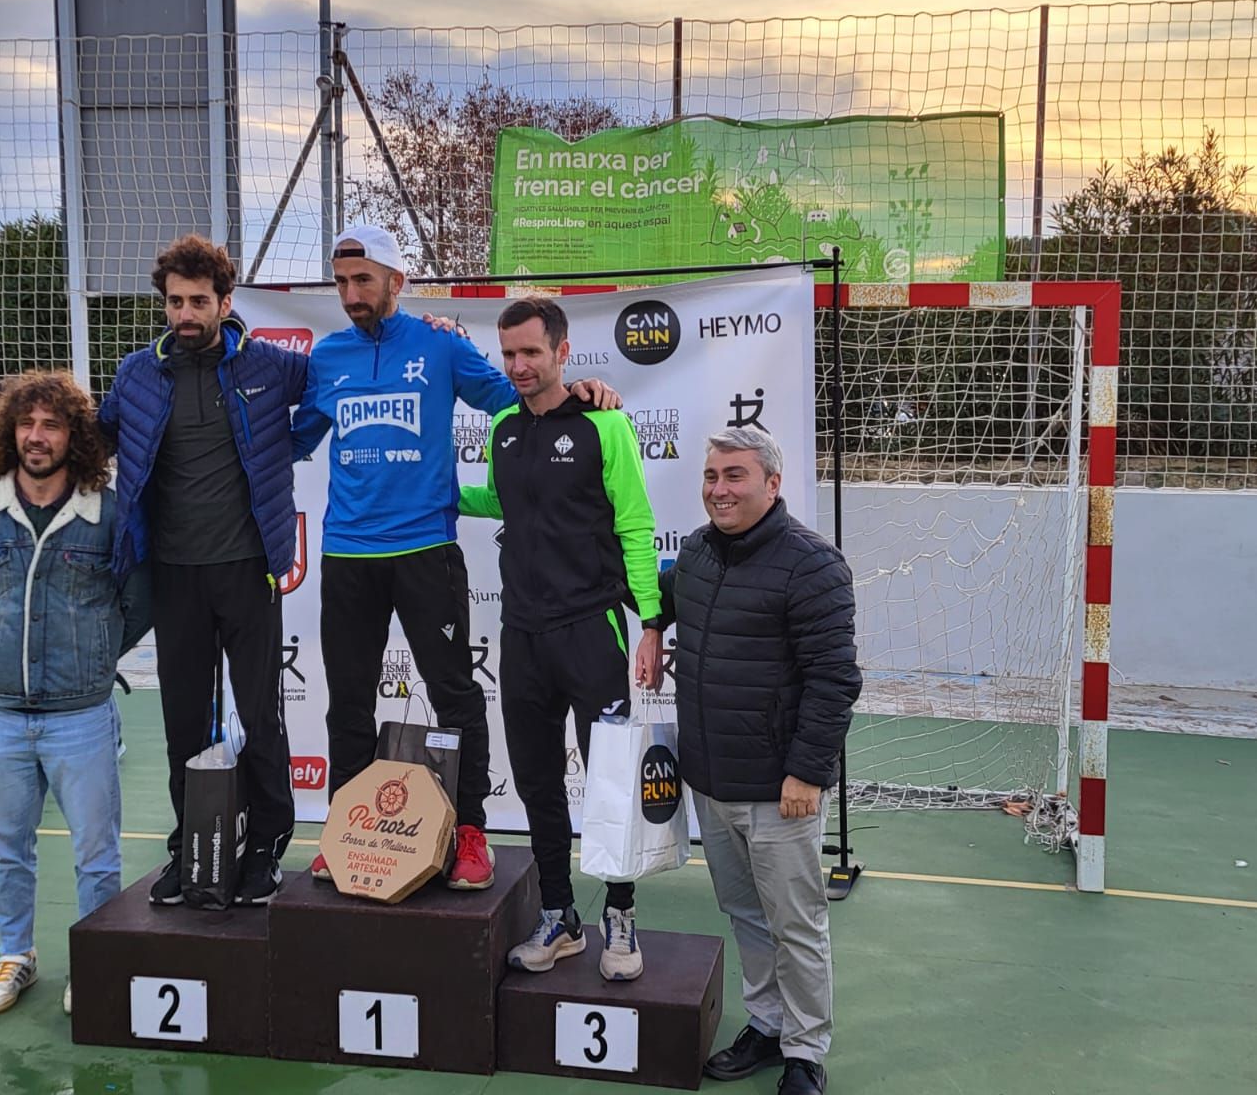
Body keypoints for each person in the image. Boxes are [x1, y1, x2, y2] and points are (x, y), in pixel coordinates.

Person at [292, 224, 619, 892]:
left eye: (363, 280)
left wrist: (584, 395)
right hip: (347, 553)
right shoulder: (326, 358)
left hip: (427, 551)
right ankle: (343, 827)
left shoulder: (439, 343)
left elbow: (518, 400)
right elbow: (295, 438)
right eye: (342, 281)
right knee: (347, 702)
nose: (351, 293)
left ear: (395, 281)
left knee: (455, 696)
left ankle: (468, 831)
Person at [636, 426, 858, 1095]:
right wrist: (650, 625)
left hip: (779, 789)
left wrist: (808, 773)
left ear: (772, 483)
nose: (718, 489)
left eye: (734, 475)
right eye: (711, 476)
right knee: (745, 915)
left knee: (796, 925)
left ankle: (805, 1053)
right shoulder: (699, 554)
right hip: (712, 780)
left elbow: (834, 680)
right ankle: (765, 1027)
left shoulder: (813, 567)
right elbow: (657, 594)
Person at [99, 233, 308, 907]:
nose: (185, 313)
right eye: (175, 302)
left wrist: (288, 446)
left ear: (224, 301)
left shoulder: (271, 367)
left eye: (198, 301)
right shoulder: (136, 374)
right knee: (185, 723)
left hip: (250, 572)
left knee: (261, 717)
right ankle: (191, 849)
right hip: (172, 575)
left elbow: (346, 380)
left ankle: (268, 844)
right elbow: (90, 436)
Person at [458, 296, 660, 979]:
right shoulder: (505, 429)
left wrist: (653, 623)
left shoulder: (605, 424)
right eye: (508, 353)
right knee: (539, 782)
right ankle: (560, 916)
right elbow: (500, 498)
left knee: (608, 783)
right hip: (523, 635)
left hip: (592, 631)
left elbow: (635, 525)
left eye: (531, 353)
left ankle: (621, 917)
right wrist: (433, 488)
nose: (518, 365)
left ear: (562, 352)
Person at [0, 371, 148, 1017]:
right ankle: (15, 954)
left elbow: (136, 604)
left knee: (96, 854)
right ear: (8, 433)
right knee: (7, 848)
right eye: (26, 424)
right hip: (0, 716)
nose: (37, 436)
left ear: (75, 436)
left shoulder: (108, 517)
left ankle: (94, 960)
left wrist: (90, 656)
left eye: (51, 424)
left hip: (81, 717)